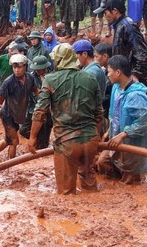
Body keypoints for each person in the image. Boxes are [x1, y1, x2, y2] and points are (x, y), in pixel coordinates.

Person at [27, 44, 103, 194]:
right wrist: (97, 137)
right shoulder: (91, 78)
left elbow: (40, 111)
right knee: (89, 186)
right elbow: (99, 113)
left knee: (66, 194)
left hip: (66, 143)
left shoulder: (50, 80)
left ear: (59, 60)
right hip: (90, 141)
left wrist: (32, 138)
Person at [98, 55, 147, 184]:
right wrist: (109, 131)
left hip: (132, 144)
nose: (108, 75)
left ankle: (131, 178)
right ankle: (119, 176)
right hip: (117, 139)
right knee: (102, 163)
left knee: (129, 181)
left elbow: (144, 123)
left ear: (118, 72)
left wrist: (124, 134)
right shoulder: (116, 88)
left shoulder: (136, 95)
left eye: (109, 72)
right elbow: (114, 114)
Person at [0, 54, 38, 160]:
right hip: (7, 115)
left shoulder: (30, 78)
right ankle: (12, 164)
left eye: (19, 67)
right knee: (14, 141)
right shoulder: (9, 82)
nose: (17, 70)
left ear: (25, 66)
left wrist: (42, 102)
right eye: (14, 67)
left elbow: (36, 90)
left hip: (18, 114)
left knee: (8, 139)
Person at [95, 0, 147, 86]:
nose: (105, 16)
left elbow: (143, 53)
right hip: (122, 78)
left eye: (105, 13)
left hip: (130, 81)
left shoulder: (128, 27)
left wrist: (135, 75)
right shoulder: (119, 25)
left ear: (114, 11)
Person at [18, 55, 53, 151]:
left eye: (40, 69)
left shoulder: (52, 76)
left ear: (45, 68)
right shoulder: (30, 77)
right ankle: (36, 140)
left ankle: (43, 145)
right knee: (23, 129)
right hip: (32, 108)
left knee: (47, 127)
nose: (38, 71)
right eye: (36, 69)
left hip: (48, 108)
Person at [94, 43, 113, 119]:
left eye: (96, 57)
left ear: (105, 56)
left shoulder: (112, 72)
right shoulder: (105, 70)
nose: (95, 60)